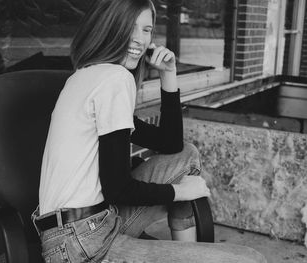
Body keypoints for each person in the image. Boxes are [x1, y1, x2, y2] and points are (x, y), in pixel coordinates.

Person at [32, 0, 267, 262]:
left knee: (186, 154)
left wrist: (169, 73)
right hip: (81, 240)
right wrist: (182, 192)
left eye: (146, 30)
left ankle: (185, 254)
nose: (139, 39)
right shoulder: (114, 79)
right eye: (129, 28)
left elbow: (171, 144)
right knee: (251, 259)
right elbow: (118, 187)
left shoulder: (84, 76)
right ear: (108, 28)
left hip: (81, 229)